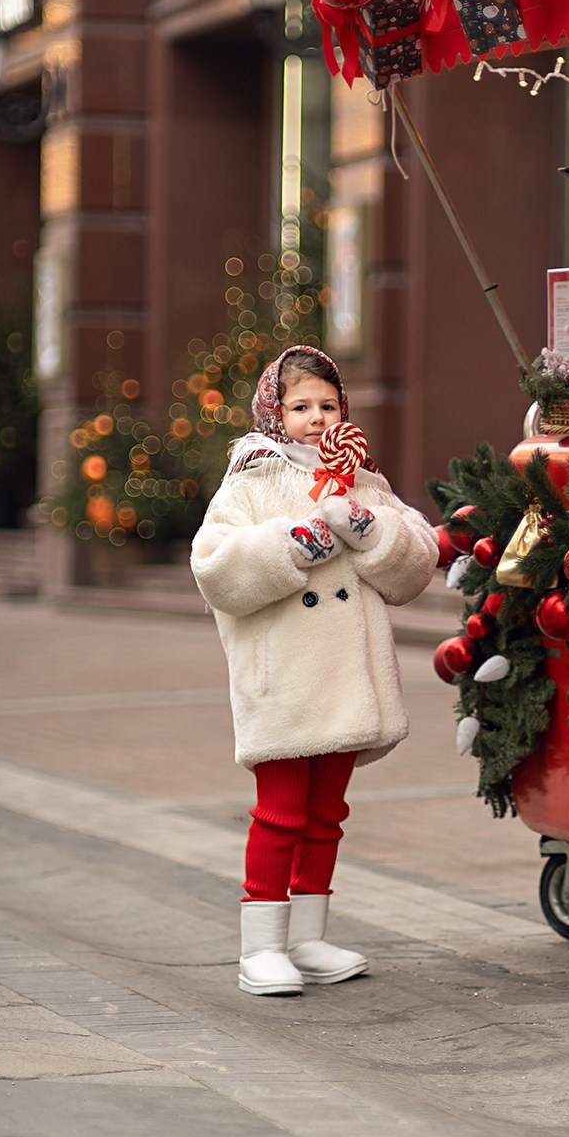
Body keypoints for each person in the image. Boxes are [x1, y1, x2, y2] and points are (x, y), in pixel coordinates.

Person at [191, 345, 438, 995]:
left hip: (347, 677)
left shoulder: (364, 480)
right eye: (301, 406)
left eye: (328, 405)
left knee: (327, 814)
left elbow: (417, 560)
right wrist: (294, 545)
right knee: (279, 813)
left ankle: (307, 938)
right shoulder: (251, 479)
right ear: (275, 413)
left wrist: (366, 528)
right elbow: (214, 567)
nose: (317, 417)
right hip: (284, 678)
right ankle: (261, 948)